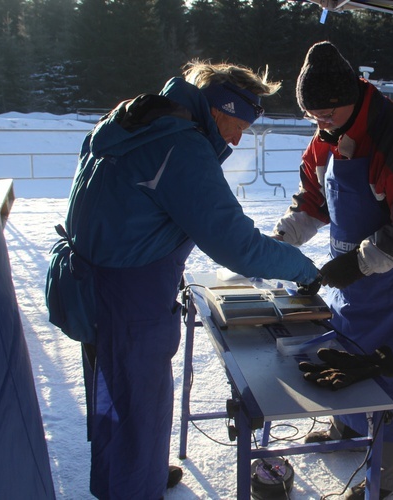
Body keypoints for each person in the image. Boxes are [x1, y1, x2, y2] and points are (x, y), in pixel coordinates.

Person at [50, 61, 320, 500]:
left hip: (89, 283)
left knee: (120, 395)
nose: (235, 140)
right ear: (217, 108)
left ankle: (139, 476)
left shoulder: (133, 117)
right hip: (128, 298)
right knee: (136, 405)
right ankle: (135, 490)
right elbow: (239, 246)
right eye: (238, 125)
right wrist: (302, 267)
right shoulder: (181, 147)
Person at [272, 41, 393, 499]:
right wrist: (281, 240)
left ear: (351, 95)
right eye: (312, 115)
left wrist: (358, 263)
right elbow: (312, 201)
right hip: (355, 269)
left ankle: (386, 474)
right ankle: (346, 429)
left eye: (326, 112)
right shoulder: (326, 137)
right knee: (346, 347)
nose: (320, 122)